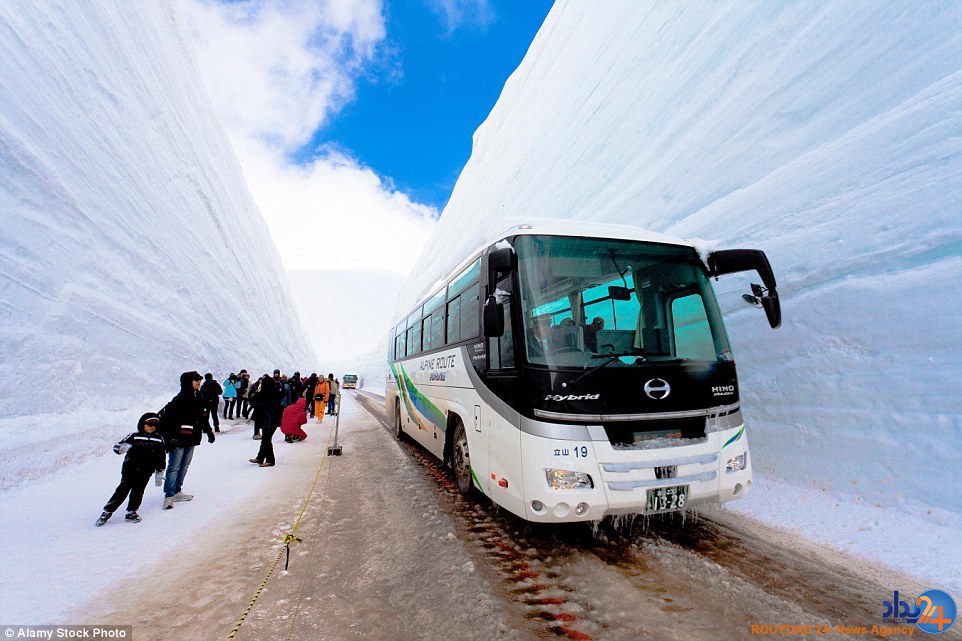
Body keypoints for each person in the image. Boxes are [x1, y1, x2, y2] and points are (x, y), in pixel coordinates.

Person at [96, 413, 167, 526]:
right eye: (149, 424)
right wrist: (122, 448)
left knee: (138, 491)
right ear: (142, 424)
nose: (152, 426)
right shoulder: (134, 436)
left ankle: (131, 511)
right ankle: (107, 511)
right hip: (130, 469)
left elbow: (161, 456)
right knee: (122, 490)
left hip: (146, 471)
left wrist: (160, 470)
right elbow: (117, 447)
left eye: (155, 424)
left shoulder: (158, 439)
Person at [158, 371, 215, 509]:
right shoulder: (180, 399)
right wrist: (171, 438)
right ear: (187, 382)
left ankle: (177, 491)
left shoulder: (198, 397)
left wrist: (209, 431)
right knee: (174, 467)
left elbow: (202, 417)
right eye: (196, 380)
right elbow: (167, 419)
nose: (198, 383)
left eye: (200, 381)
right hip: (179, 439)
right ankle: (169, 495)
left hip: (192, 438)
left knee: (184, 466)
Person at [249, 375, 279, 466]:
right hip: (269, 419)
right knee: (266, 439)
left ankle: (270, 460)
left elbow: (254, 402)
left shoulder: (268, 394)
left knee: (266, 440)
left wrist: (257, 393)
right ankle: (260, 457)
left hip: (269, 420)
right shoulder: (270, 392)